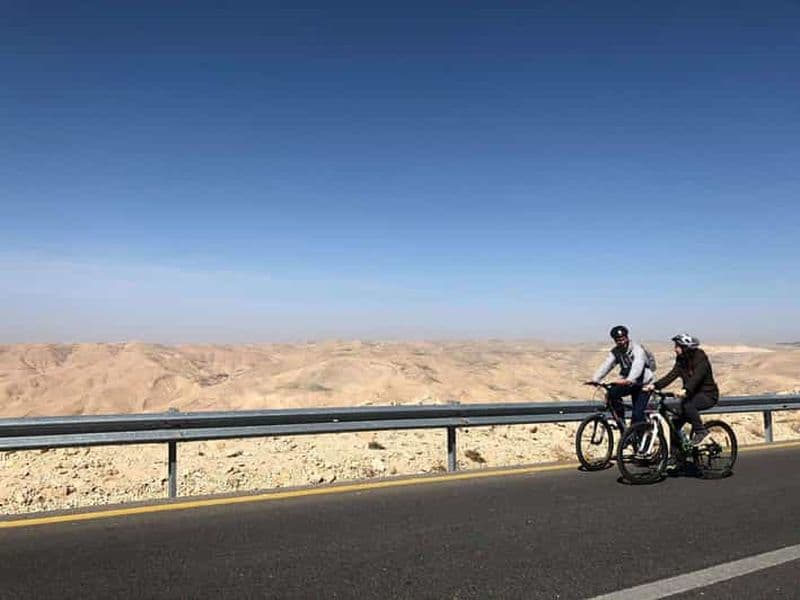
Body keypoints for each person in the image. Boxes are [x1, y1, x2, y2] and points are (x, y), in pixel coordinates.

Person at [644, 333, 719, 445]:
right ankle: (678, 454)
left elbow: (697, 377)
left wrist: (686, 390)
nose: (675, 349)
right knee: (674, 425)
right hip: (691, 395)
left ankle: (701, 431)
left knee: (688, 405)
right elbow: (671, 375)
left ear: (685, 348)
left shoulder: (701, 359)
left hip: (708, 395)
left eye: (677, 346)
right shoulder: (681, 360)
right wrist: (655, 386)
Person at [586, 325, 655, 431]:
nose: (621, 342)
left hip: (643, 384)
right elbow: (607, 365)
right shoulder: (616, 351)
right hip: (629, 383)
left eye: (622, 339)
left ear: (627, 337)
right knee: (612, 394)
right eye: (618, 340)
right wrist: (595, 379)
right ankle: (622, 424)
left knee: (637, 414)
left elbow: (638, 366)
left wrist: (629, 379)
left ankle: (641, 441)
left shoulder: (637, 350)